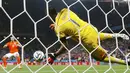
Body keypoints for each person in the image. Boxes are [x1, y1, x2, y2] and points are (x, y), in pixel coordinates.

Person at [47, 8, 130, 65]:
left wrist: (54, 55)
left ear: (49, 15)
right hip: (90, 28)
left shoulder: (58, 28)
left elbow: (65, 46)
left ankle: (125, 62)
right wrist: (57, 24)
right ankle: (115, 35)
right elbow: (67, 23)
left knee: (100, 58)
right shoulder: (65, 10)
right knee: (97, 36)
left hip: (86, 40)